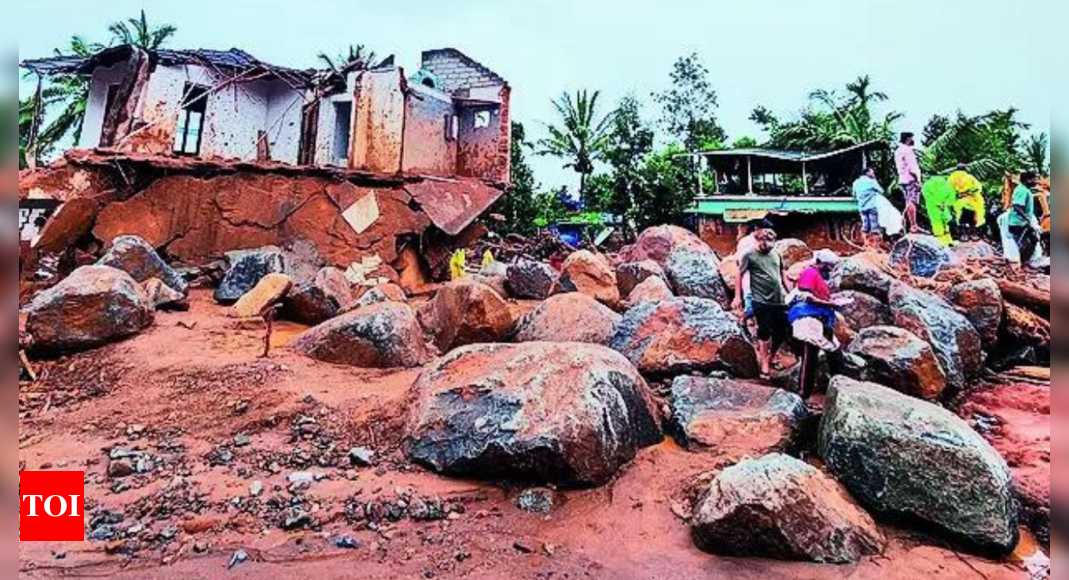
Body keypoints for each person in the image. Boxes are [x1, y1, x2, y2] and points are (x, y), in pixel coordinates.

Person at [787, 250, 844, 400]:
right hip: (807, 317)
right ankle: (803, 394)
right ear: (821, 264)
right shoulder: (810, 273)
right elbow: (807, 296)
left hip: (819, 318)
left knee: (833, 351)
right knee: (811, 355)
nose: (830, 269)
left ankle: (838, 387)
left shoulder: (817, 276)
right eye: (828, 266)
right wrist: (830, 303)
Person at [733, 228, 788, 378]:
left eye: (771, 242)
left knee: (782, 330)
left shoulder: (776, 254)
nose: (768, 245)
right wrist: (737, 296)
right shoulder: (750, 255)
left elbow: (782, 273)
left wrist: (790, 293)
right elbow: (739, 274)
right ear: (758, 241)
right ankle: (764, 362)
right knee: (764, 330)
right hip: (760, 299)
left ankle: (772, 355)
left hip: (779, 299)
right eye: (765, 242)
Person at [1009, 171, 1043, 270]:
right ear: (1028, 180)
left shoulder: (1024, 190)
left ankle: (1023, 263)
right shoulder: (1022, 190)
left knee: (1032, 240)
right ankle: (1021, 264)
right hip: (1018, 223)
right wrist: (1027, 218)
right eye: (1034, 179)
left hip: (1021, 222)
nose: (1036, 181)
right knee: (1026, 243)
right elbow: (1016, 205)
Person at [948, 164, 987, 241]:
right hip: (972, 202)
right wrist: (969, 192)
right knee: (972, 219)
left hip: (960, 202)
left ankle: (964, 235)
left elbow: (949, 189)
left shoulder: (951, 178)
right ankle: (973, 234)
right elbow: (978, 188)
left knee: (961, 219)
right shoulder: (970, 177)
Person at [895, 132, 923, 233]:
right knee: (912, 202)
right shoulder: (907, 150)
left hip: (903, 179)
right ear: (908, 139)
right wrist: (917, 180)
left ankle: (911, 225)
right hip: (910, 179)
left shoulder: (898, 150)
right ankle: (914, 225)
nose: (912, 140)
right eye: (911, 138)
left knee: (908, 202)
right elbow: (912, 167)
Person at [852, 167, 886, 247]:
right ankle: (876, 246)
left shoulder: (856, 182)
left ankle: (866, 244)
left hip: (862, 207)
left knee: (865, 226)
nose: (873, 174)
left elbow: (854, 194)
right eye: (872, 172)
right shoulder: (872, 182)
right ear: (867, 173)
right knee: (875, 227)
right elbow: (882, 191)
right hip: (872, 206)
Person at [922, 176, 957, 246]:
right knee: (945, 224)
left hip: (933, 207)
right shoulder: (946, 183)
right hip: (944, 207)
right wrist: (945, 203)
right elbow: (952, 195)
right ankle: (949, 241)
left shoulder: (927, 184)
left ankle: (941, 242)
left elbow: (927, 195)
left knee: (937, 224)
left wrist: (937, 203)